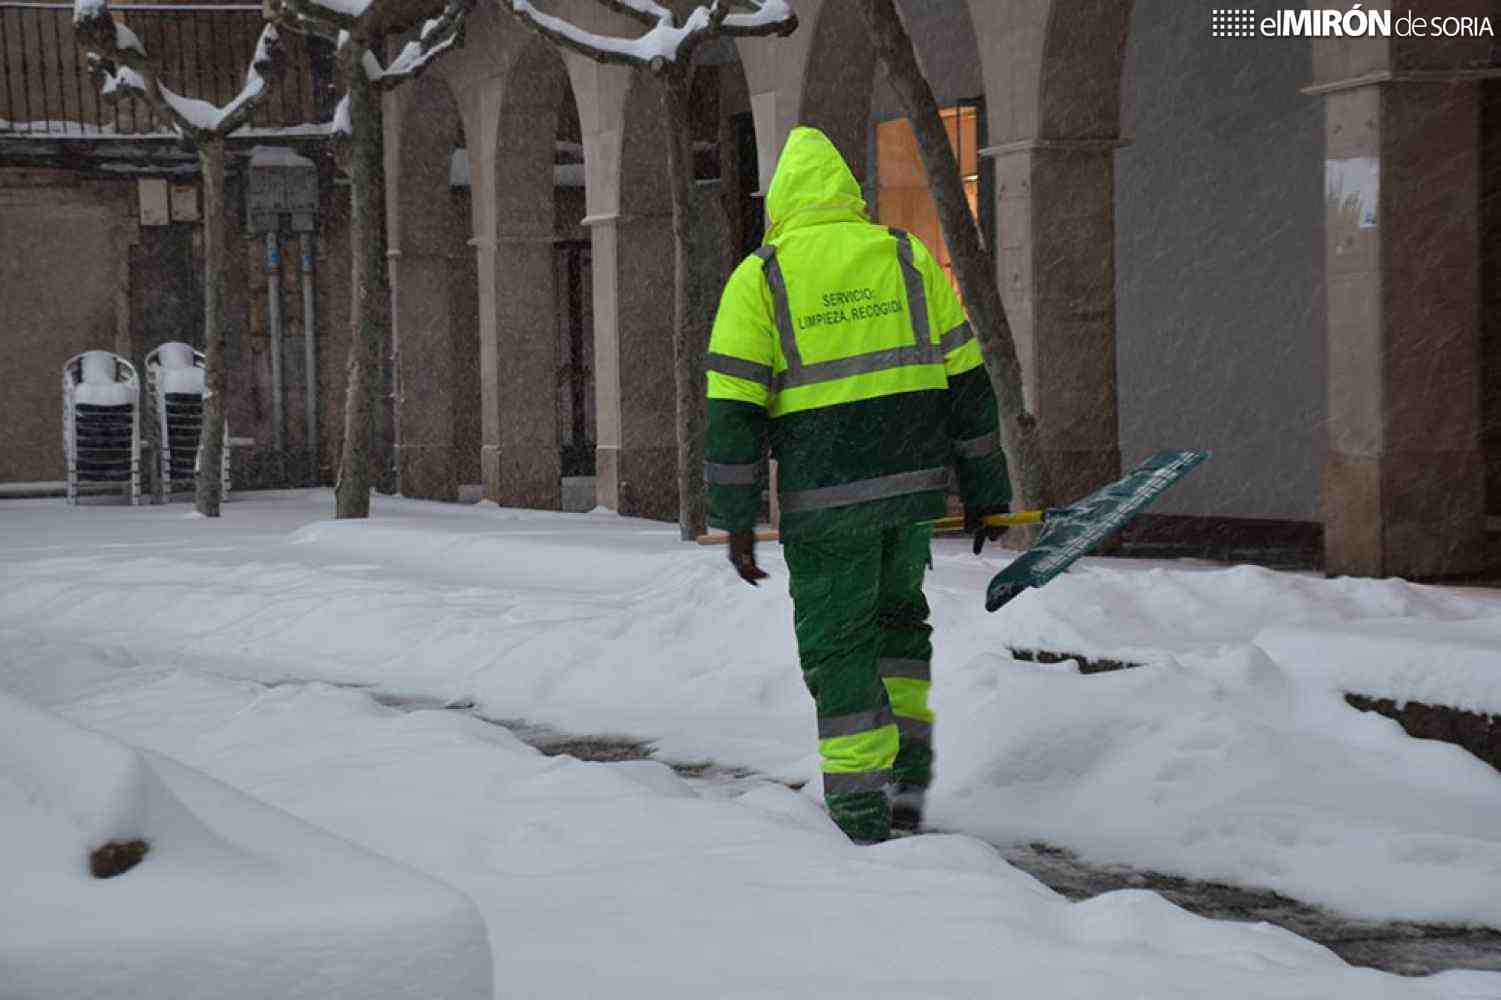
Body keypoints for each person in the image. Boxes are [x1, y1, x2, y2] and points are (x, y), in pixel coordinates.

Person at [703, 126, 1012, 844]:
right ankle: (907, 778)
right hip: (910, 495)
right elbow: (968, 385)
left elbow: (733, 410)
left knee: (839, 646)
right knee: (900, 626)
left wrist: (738, 516)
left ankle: (859, 811)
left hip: (826, 504)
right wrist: (985, 490)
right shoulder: (904, 257)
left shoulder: (763, 275)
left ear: (779, 203)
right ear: (849, 194)